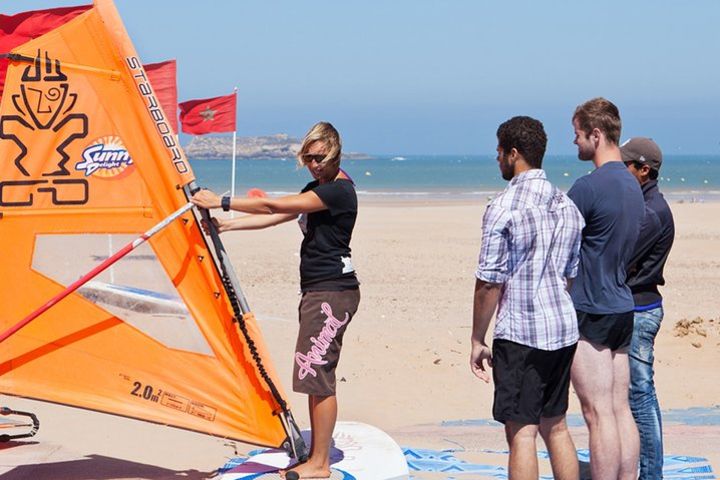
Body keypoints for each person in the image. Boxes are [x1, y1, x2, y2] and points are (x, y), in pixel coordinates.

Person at [191, 121, 360, 479]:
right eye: (309, 158)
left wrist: (220, 201)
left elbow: (270, 205)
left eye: (320, 157)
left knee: (317, 374)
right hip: (318, 290)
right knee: (312, 374)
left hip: (333, 292)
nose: (314, 164)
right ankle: (316, 457)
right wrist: (228, 226)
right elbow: (279, 216)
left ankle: (320, 464)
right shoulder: (318, 188)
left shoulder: (339, 192)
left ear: (335, 154)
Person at [471, 116, 585, 480]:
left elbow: (490, 281)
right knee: (557, 425)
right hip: (562, 327)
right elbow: (570, 273)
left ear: (514, 154)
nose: (497, 159)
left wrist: (477, 338)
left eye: (500, 152)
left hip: (522, 332)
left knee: (521, 432)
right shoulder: (567, 205)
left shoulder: (504, 207)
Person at [567, 98, 644, 480]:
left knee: (597, 413)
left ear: (596, 134)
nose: (575, 143)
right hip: (621, 303)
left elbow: (556, 242)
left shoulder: (589, 187)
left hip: (591, 305)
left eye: (578, 135)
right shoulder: (633, 185)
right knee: (618, 408)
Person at [622, 137, 675, 479]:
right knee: (640, 393)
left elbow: (618, 259)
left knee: (640, 395)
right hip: (638, 306)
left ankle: (651, 473)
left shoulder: (650, 213)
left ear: (644, 170)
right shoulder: (643, 205)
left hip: (640, 311)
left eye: (625, 165)